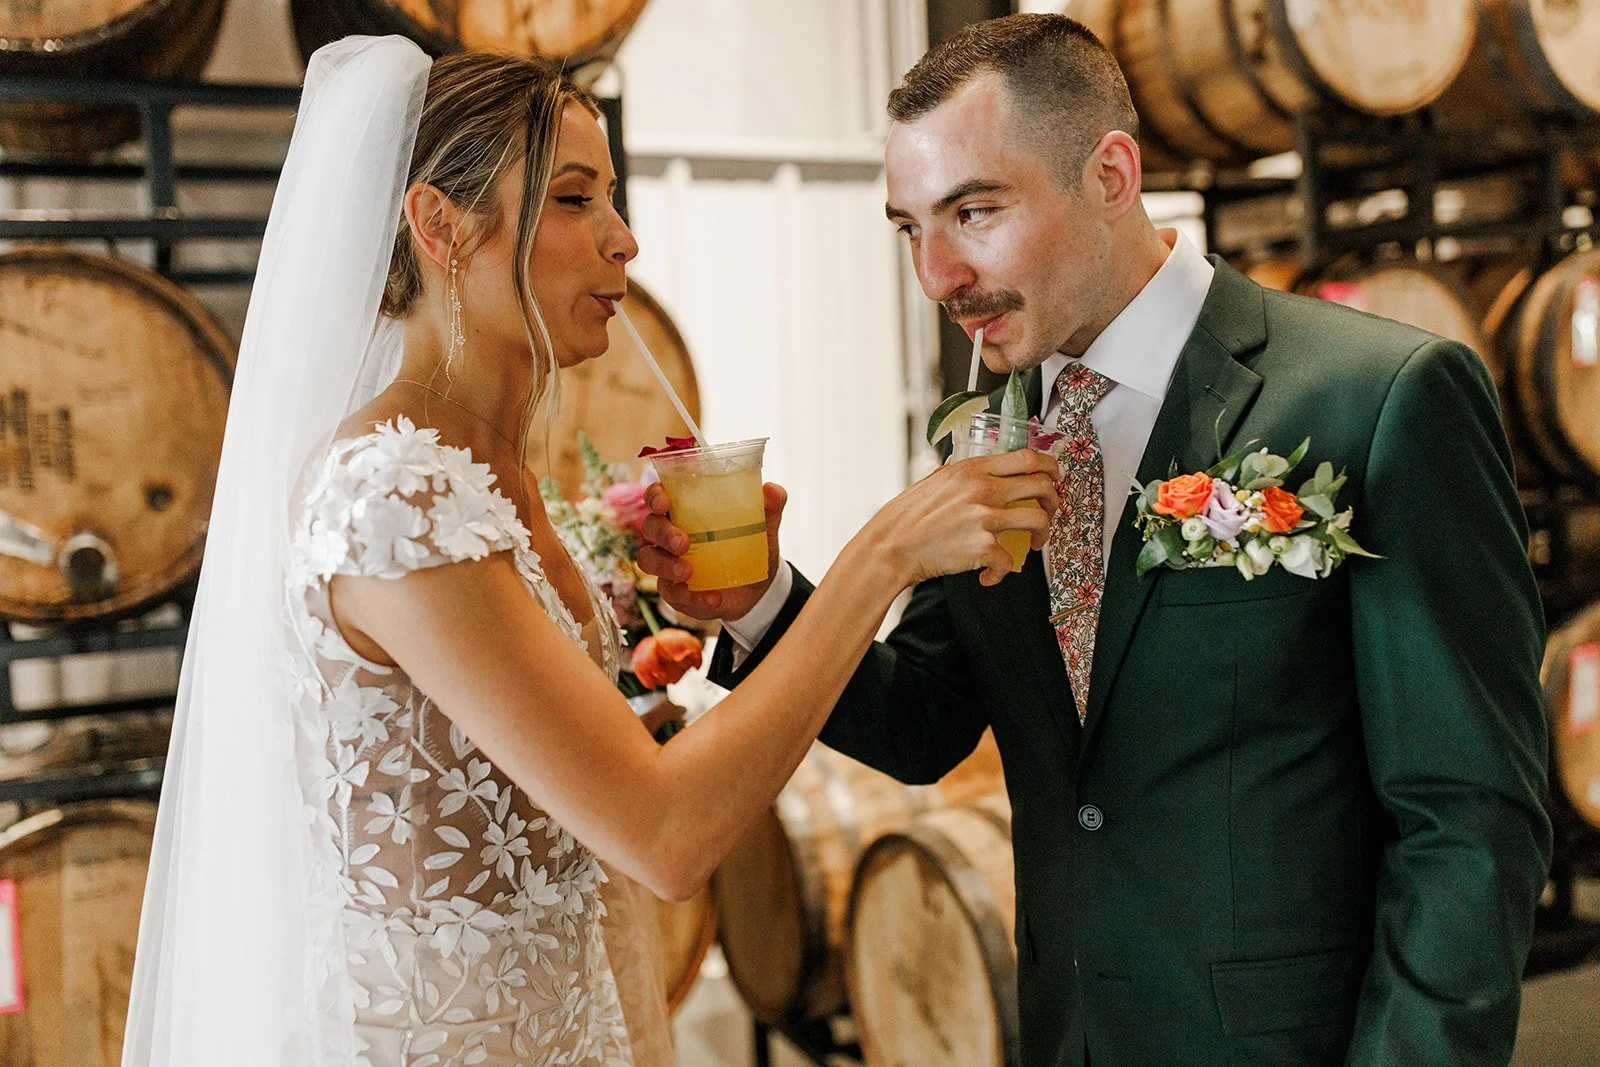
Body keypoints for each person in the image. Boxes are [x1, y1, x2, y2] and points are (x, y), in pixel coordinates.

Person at [121, 35, 1059, 1066]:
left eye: (611, 198)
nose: (623, 240)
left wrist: (706, 638)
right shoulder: (393, 495)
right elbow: (665, 836)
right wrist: (883, 553)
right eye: (574, 200)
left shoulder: (496, 473)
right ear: (440, 225)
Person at [640, 14, 1551, 1066]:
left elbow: (1468, 818)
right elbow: (925, 718)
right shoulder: (987, 423)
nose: (936, 273)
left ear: (1112, 175)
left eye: (973, 211)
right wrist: (757, 602)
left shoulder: (1378, 397)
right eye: (908, 228)